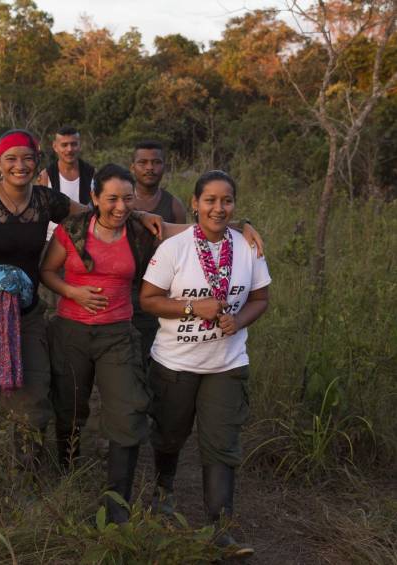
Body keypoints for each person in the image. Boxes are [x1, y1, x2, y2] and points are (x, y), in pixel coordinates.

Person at [0, 130, 163, 494]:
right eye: (11, 158)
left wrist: (137, 212)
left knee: (32, 400)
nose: (20, 165)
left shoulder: (46, 201)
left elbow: (96, 211)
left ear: (38, 161)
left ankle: (25, 480)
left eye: (27, 158)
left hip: (25, 314)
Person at [139, 170, 270, 557]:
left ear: (234, 205)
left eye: (226, 200)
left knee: (222, 445)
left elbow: (260, 299)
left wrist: (238, 319)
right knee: (169, 434)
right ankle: (163, 492)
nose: (218, 208)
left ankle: (220, 528)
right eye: (210, 200)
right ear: (194, 204)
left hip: (226, 363)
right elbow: (148, 299)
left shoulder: (247, 247)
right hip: (175, 361)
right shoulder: (174, 248)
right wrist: (194, 307)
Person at [41, 164, 154, 524]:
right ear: (94, 198)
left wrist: (241, 226)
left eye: (127, 198)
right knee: (70, 405)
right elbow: (47, 272)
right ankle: (68, 470)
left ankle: (117, 501)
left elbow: (196, 230)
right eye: (112, 199)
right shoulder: (71, 231)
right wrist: (72, 291)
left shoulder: (141, 230)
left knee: (126, 410)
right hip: (71, 330)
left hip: (118, 333)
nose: (121, 207)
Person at [130, 141, 188, 368]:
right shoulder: (122, 201)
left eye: (156, 162)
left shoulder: (174, 205)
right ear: (132, 166)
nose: (149, 168)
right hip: (122, 289)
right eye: (142, 162)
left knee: (151, 355)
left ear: (164, 166)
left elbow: (181, 251)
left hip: (157, 291)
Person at [38, 125, 96, 241]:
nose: (69, 149)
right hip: (53, 240)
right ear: (55, 147)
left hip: (84, 239)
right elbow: (40, 213)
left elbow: (99, 206)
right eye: (64, 145)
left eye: (74, 144)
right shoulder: (46, 176)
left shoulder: (92, 173)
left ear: (80, 145)